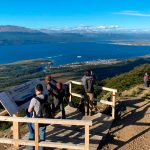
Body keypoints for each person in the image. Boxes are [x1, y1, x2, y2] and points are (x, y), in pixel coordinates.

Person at [27, 84, 46, 150]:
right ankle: (42, 148)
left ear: (36, 90)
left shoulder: (34, 99)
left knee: (32, 132)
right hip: (44, 118)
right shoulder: (45, 97)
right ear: (42, 89)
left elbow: (29, 110)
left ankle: (31, 148)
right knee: (42, 133)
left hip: (35, 118)